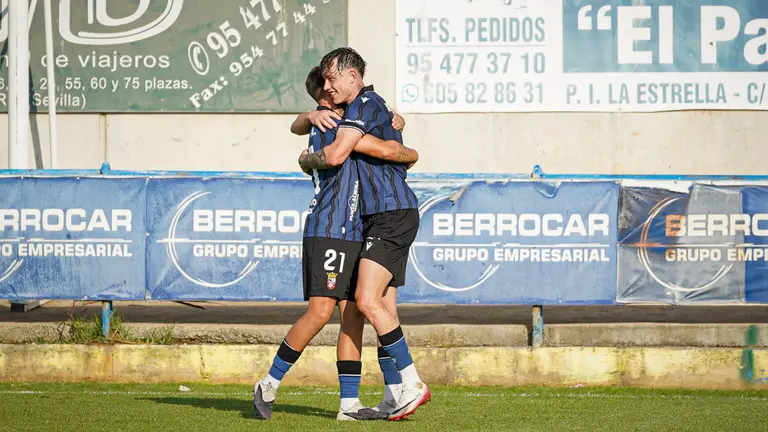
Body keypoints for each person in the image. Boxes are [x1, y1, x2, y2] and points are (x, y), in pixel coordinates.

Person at [253, 66, 419, 421]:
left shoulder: (347, 119)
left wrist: (392, 124)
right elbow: (382, 150)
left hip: (356, 229)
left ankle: (349, 404)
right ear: (322, 101)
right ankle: (269, 382)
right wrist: (401, 145)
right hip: (329, 229)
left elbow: (304, 128)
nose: (334, 96)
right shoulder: (330, 127)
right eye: (327, 93)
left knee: (355, 315)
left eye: (335, 89)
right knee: (320, 312)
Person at [298, 47, 430, 421]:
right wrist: (309, 117)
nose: (329, 87)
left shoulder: (365, 105)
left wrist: (305, 159)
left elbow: (343, 154)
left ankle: (413, 383)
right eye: (324, 85)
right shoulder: (353, 112)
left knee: (366, 301)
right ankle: (392, 394)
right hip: (377, 217)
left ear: (352, 77)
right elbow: (392, 147)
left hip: (392, 213)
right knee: (383, 307)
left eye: (332, 79)